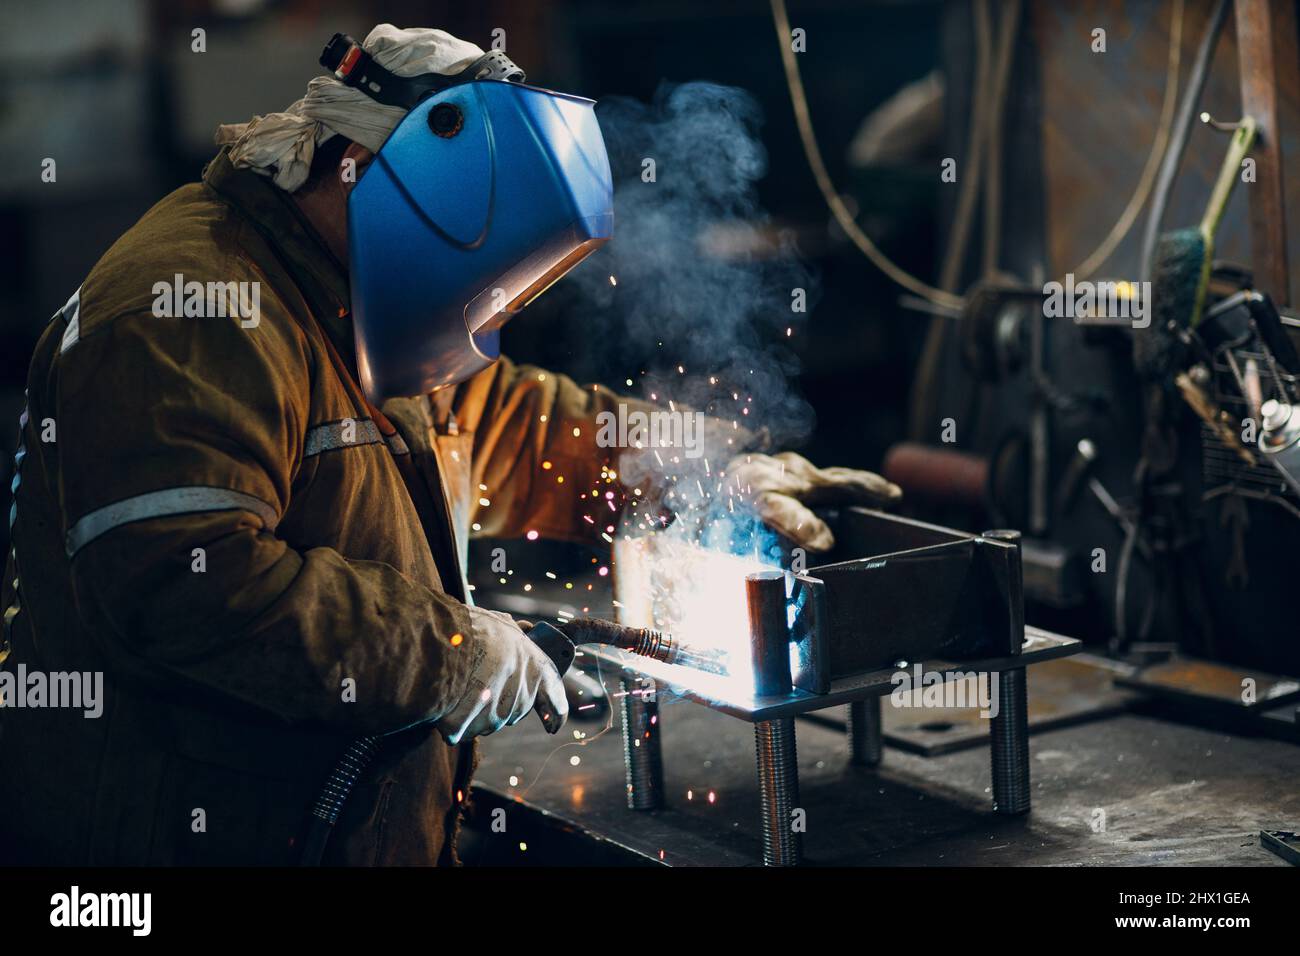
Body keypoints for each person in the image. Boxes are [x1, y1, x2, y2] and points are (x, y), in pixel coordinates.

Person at [0, 25, 898, 865]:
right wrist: (452, 655)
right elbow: (187, 586)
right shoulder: (189, 309)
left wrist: (694, 472)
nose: (485, 309)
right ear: (362, 168)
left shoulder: (353, 298)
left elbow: (505, 422)